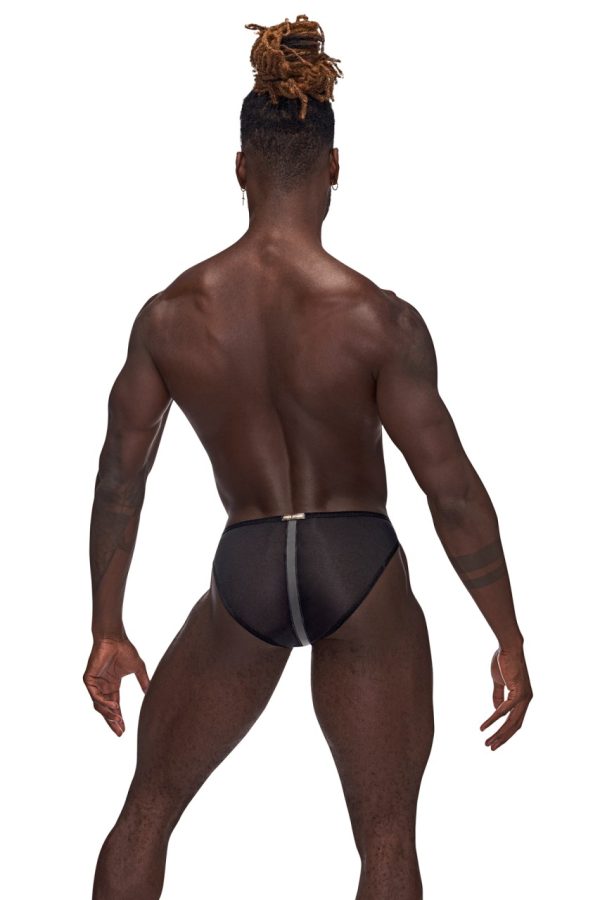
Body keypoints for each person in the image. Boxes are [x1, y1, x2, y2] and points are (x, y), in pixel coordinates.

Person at [84, 13, 533, 900]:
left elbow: (120, 478)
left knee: (148, 809)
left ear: (240, 169)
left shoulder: (170, 317)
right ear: (333, 167)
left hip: (247, 563)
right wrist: (507, 633)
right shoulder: (376, 319)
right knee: (387, 842)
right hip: (355, 562)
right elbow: (450, 490)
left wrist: (107, 624)